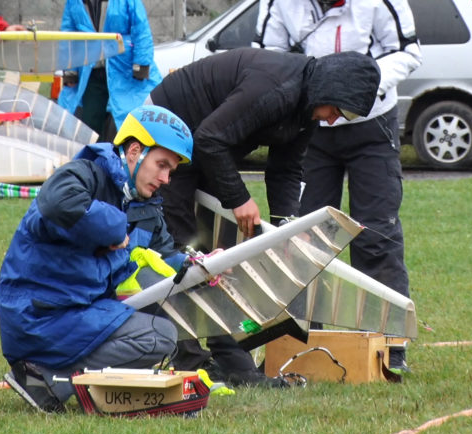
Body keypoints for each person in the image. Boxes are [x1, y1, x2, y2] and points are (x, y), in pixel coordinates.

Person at [148, 47, 381, 387]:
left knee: (224, 256)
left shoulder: (305, 110)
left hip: (207, 147)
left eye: (342, 117)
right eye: (338, 110)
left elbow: (286, 169)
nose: (333, 120)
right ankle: (189, 357)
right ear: (329, 87)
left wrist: (288, 227)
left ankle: (231, 361)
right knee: (185, 249)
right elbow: (210, 138)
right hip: (170, 135)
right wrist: (239, 199)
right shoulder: (277, 88)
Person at [254, 0, 423, 374]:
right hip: (308, 126)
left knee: (377, 234)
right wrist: (308, 93)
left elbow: (408, 52)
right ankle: (297, 342)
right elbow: (267, 55)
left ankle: (390, 345)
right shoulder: (278, 5)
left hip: (372, 125)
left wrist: (353, 90)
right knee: (302, 238)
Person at [0, 105, 196, 413]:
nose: (166, 178)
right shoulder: (85, 173)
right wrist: (114, 228)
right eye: (161, 165)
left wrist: (201, 267)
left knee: (162, 333)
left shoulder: (145, 207)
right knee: (160, 336)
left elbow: (166, 258)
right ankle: (45, 377)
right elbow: (55, 203)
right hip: (36, 315)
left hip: (77, 313)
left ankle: (49, 375)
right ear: (134, 151)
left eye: (171, 170)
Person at [59, 0, 161, 142]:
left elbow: (140, 27)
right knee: (90, 126)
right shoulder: (74, 2)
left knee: (129, 121)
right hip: (91, 73)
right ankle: (93, 160)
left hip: (125, 71)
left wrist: (141, 64)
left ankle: (124, 160)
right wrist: (70, 70)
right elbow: (68, 34)